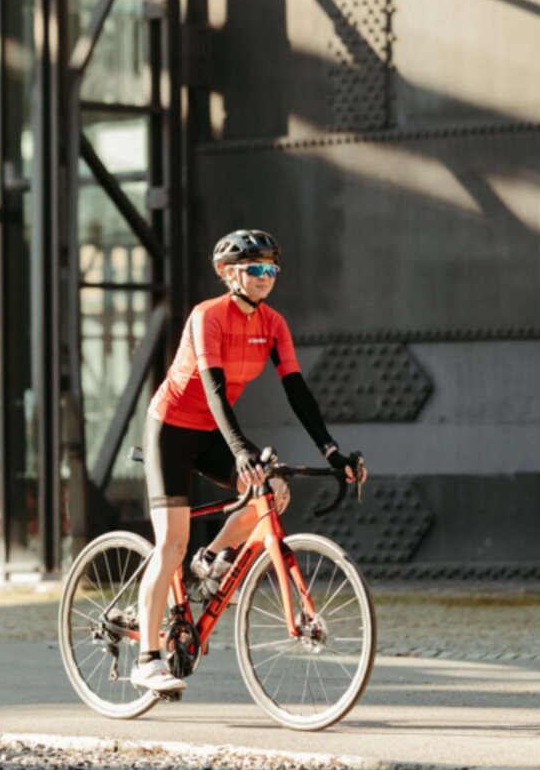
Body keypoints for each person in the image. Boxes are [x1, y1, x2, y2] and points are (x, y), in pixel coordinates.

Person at [130, 228, 368, 693]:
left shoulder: (273, 324)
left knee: (272, 491)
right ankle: (146, 660)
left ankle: (211, 559)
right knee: (172, 542)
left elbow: (297, 391)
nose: (266, 276)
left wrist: (331, 451)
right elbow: (214, 390)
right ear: (227, 273)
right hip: (171, 429)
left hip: (212, 433)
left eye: (272, 269)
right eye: (256, 268)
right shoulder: (207, 316)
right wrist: (242, 451)